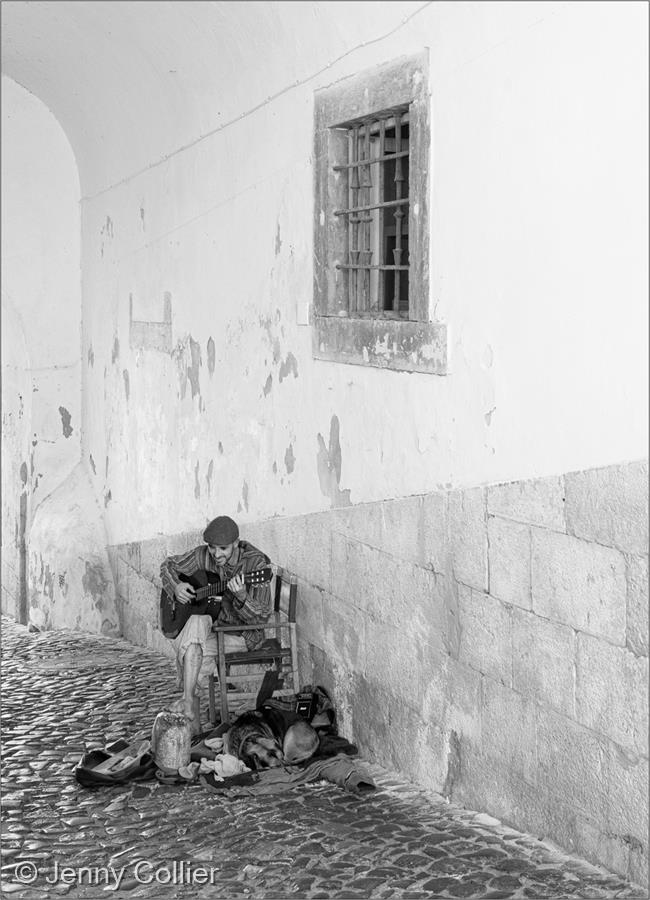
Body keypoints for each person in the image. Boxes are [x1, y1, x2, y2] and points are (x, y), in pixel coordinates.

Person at [160, 515, 273, 733]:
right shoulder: (205, 556)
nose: (217, 554)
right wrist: (175, 587)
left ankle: (191, 724)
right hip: (212, 628)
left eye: (223, 549)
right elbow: (168, 566)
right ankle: (190, 711)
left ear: (236, 543)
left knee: (189, 655)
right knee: (195, 625)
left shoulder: (256, 564)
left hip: (242, 634)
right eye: (212, 548)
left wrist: (242, 596)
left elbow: (260, 619)